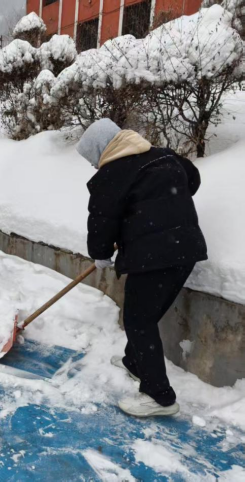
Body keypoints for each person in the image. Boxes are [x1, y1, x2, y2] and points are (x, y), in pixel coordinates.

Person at [77, 118, 207, 418]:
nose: (94, 165)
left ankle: (158, 396)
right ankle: (135, 363)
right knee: (147, 314)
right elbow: (192, 179)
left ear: (102, 149)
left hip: (153, 257)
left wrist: (100, 254)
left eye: (92, 158)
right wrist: (163, 208)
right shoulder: (164, 156)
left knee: (138, 320)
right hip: (186, 249)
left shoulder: (111, 175)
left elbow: (101, 222)